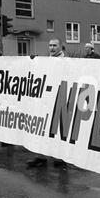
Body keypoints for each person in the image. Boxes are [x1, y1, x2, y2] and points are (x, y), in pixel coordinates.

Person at [27, 39, 67, 168]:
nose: (52, 48)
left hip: (59, 98)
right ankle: (40, 156)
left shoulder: (67, 62)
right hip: (45, 98)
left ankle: (60, 157)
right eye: (50, 45)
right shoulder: (45, 60)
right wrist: (33, 62)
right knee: (41, 127)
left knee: (57, 129)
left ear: (60, 47)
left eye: (55, 45)